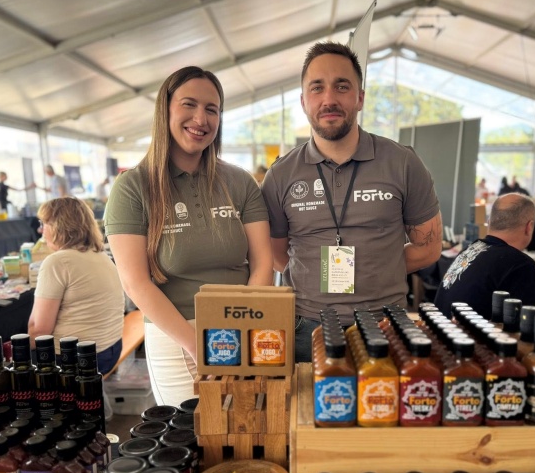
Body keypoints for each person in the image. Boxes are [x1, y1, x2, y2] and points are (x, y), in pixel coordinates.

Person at [261, 42, 442, 363]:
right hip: (307, 328)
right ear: (303, 101)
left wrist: (378, 267)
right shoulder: (281, 174)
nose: (329, 99)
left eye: (342, 86)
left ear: (360, 98)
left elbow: (428, 247)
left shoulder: (402, 163)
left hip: (386, 324)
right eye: (317, 88)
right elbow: (276, 255)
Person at [104, 66, 273, 406]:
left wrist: (245, 328)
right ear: (165, 109)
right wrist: (200, 346)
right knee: (194, 433)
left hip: (243, 328)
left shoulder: (240, 182)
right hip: (177, 336)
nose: (201, 118)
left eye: (212, 109)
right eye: (189, 104)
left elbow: (263, 263)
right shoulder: (133, 187)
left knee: (249, 429)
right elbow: (136, 284)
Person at [27, 197, 124, 375]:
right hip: (110, 351)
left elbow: (39, 331)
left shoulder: (57, 262)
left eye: (44, 224)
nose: (41, 230)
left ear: (58, 226)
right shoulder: (100, 255)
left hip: (76, 360)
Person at [434, 193, 535, 320]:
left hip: (436, 329)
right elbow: (530, 324)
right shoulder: (521, 265)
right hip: (465, 333)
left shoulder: (470, 249)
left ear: (489, 222)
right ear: (529, 227)